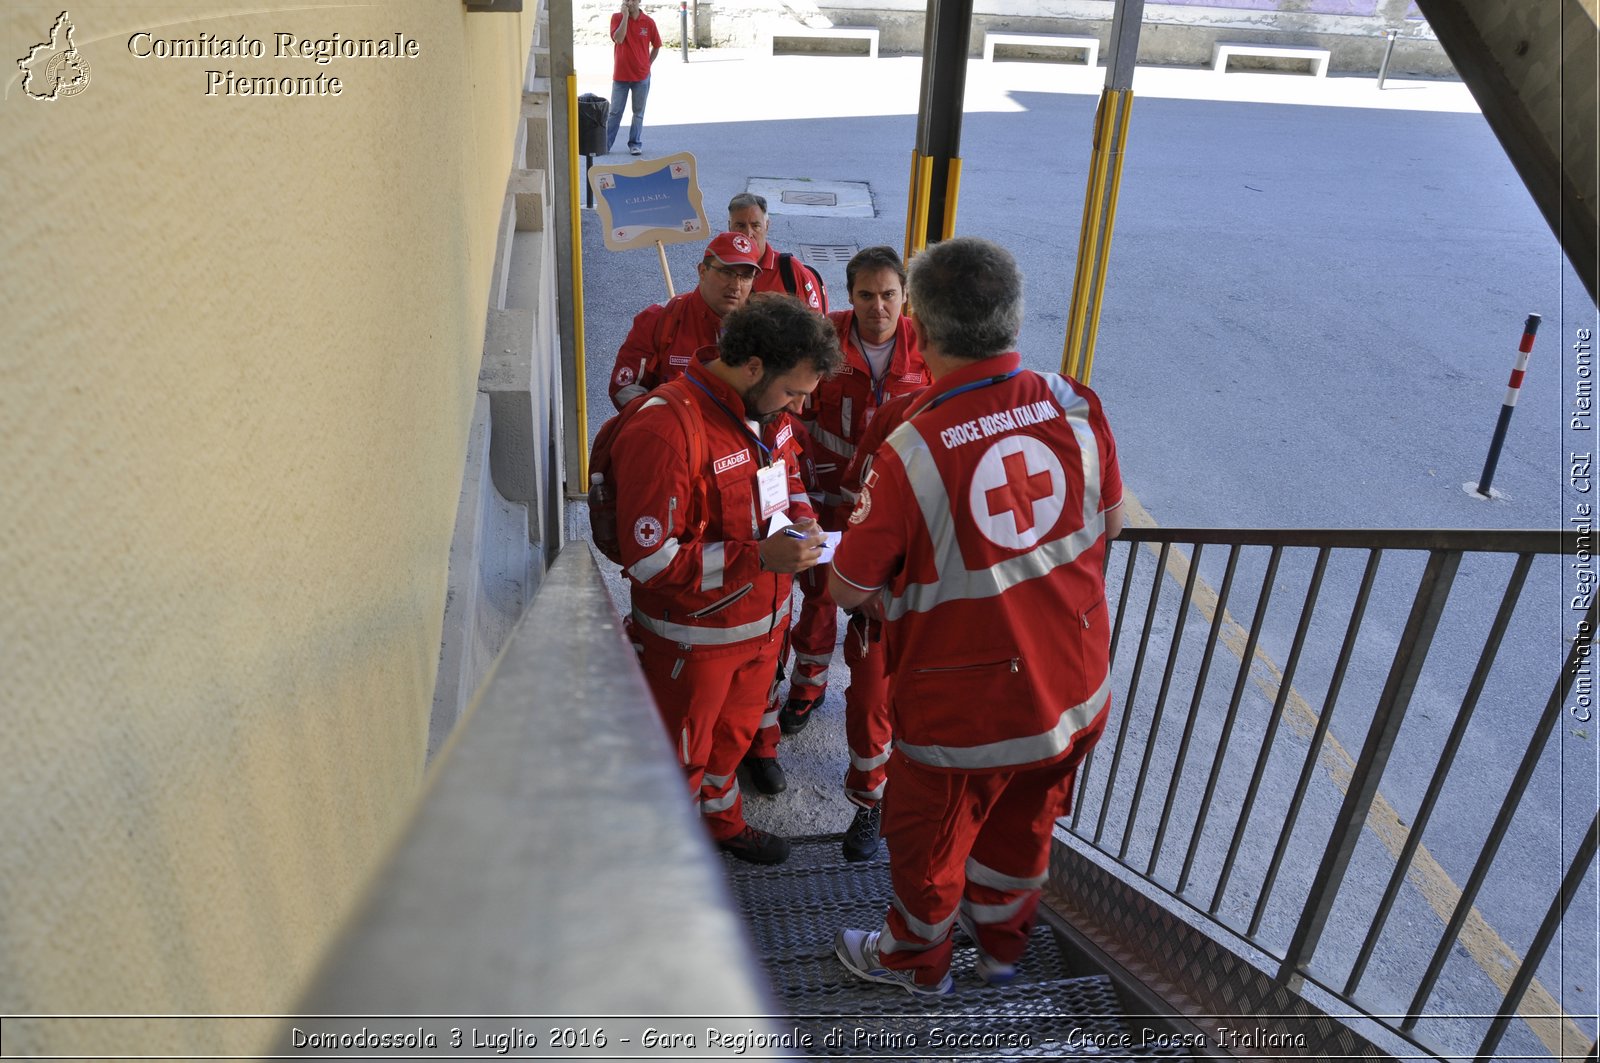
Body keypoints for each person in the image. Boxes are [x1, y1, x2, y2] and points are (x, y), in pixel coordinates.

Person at [826, 237, 1123, 996]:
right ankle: (999, 951)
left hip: (966, 712)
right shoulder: (1075, 404)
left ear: (917, 327)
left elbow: (850, 587)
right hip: (1074, 687)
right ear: (1012, 319)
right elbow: (1109, 523)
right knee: (1023, 829)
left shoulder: (910, 448)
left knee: (927, 842)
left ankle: (914, 962)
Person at [613, 294, 844, 865]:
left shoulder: (770, 413)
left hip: (759, 634)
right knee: (680, 758)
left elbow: (787, 482)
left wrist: (805, 522)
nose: (797, 407)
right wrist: (758, 560)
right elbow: (650, 562)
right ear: (752, 367)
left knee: (731, 742)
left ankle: (722, 823)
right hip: (691, 645)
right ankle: (670, 867)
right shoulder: (666, 428)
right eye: (793, 392)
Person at [778, 246, 931, 858]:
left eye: (889, 295)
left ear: (905, 297)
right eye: (866, 295)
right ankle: (807, 689)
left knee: (878, 678)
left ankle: (875, 799)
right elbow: (794, 415)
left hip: (891, 527)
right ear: (851, 295)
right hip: (827, 504)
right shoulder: (824, 341)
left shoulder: (930, 350)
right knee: (816, 608)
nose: (877, 307)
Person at [608, 232, 760, 410]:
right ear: (702, 271)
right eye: (727, 272)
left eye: (746, 276)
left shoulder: (760, 330)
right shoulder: (657, 319)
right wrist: (669, 426)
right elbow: (625, 388)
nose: (736, 286)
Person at [728, 193, 827, 312]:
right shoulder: (719, 268)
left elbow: (818, 324)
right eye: (740, 225)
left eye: (756, 226)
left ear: (767, 226)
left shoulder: (790, 269)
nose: (748, 234)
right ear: (729, 227)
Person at [607, 0, 661, 156]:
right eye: (626, 0)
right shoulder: (617, 18)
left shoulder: (648, 22)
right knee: (615, 112)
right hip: (621, 75)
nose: (629, 3)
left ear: (639, 1)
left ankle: (635, 143)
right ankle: (606, 144)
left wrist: (648, 64)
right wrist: (625, 17)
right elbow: (618, 39)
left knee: (638, 112)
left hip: (641, 76)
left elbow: (657, 45)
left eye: (632, 0)